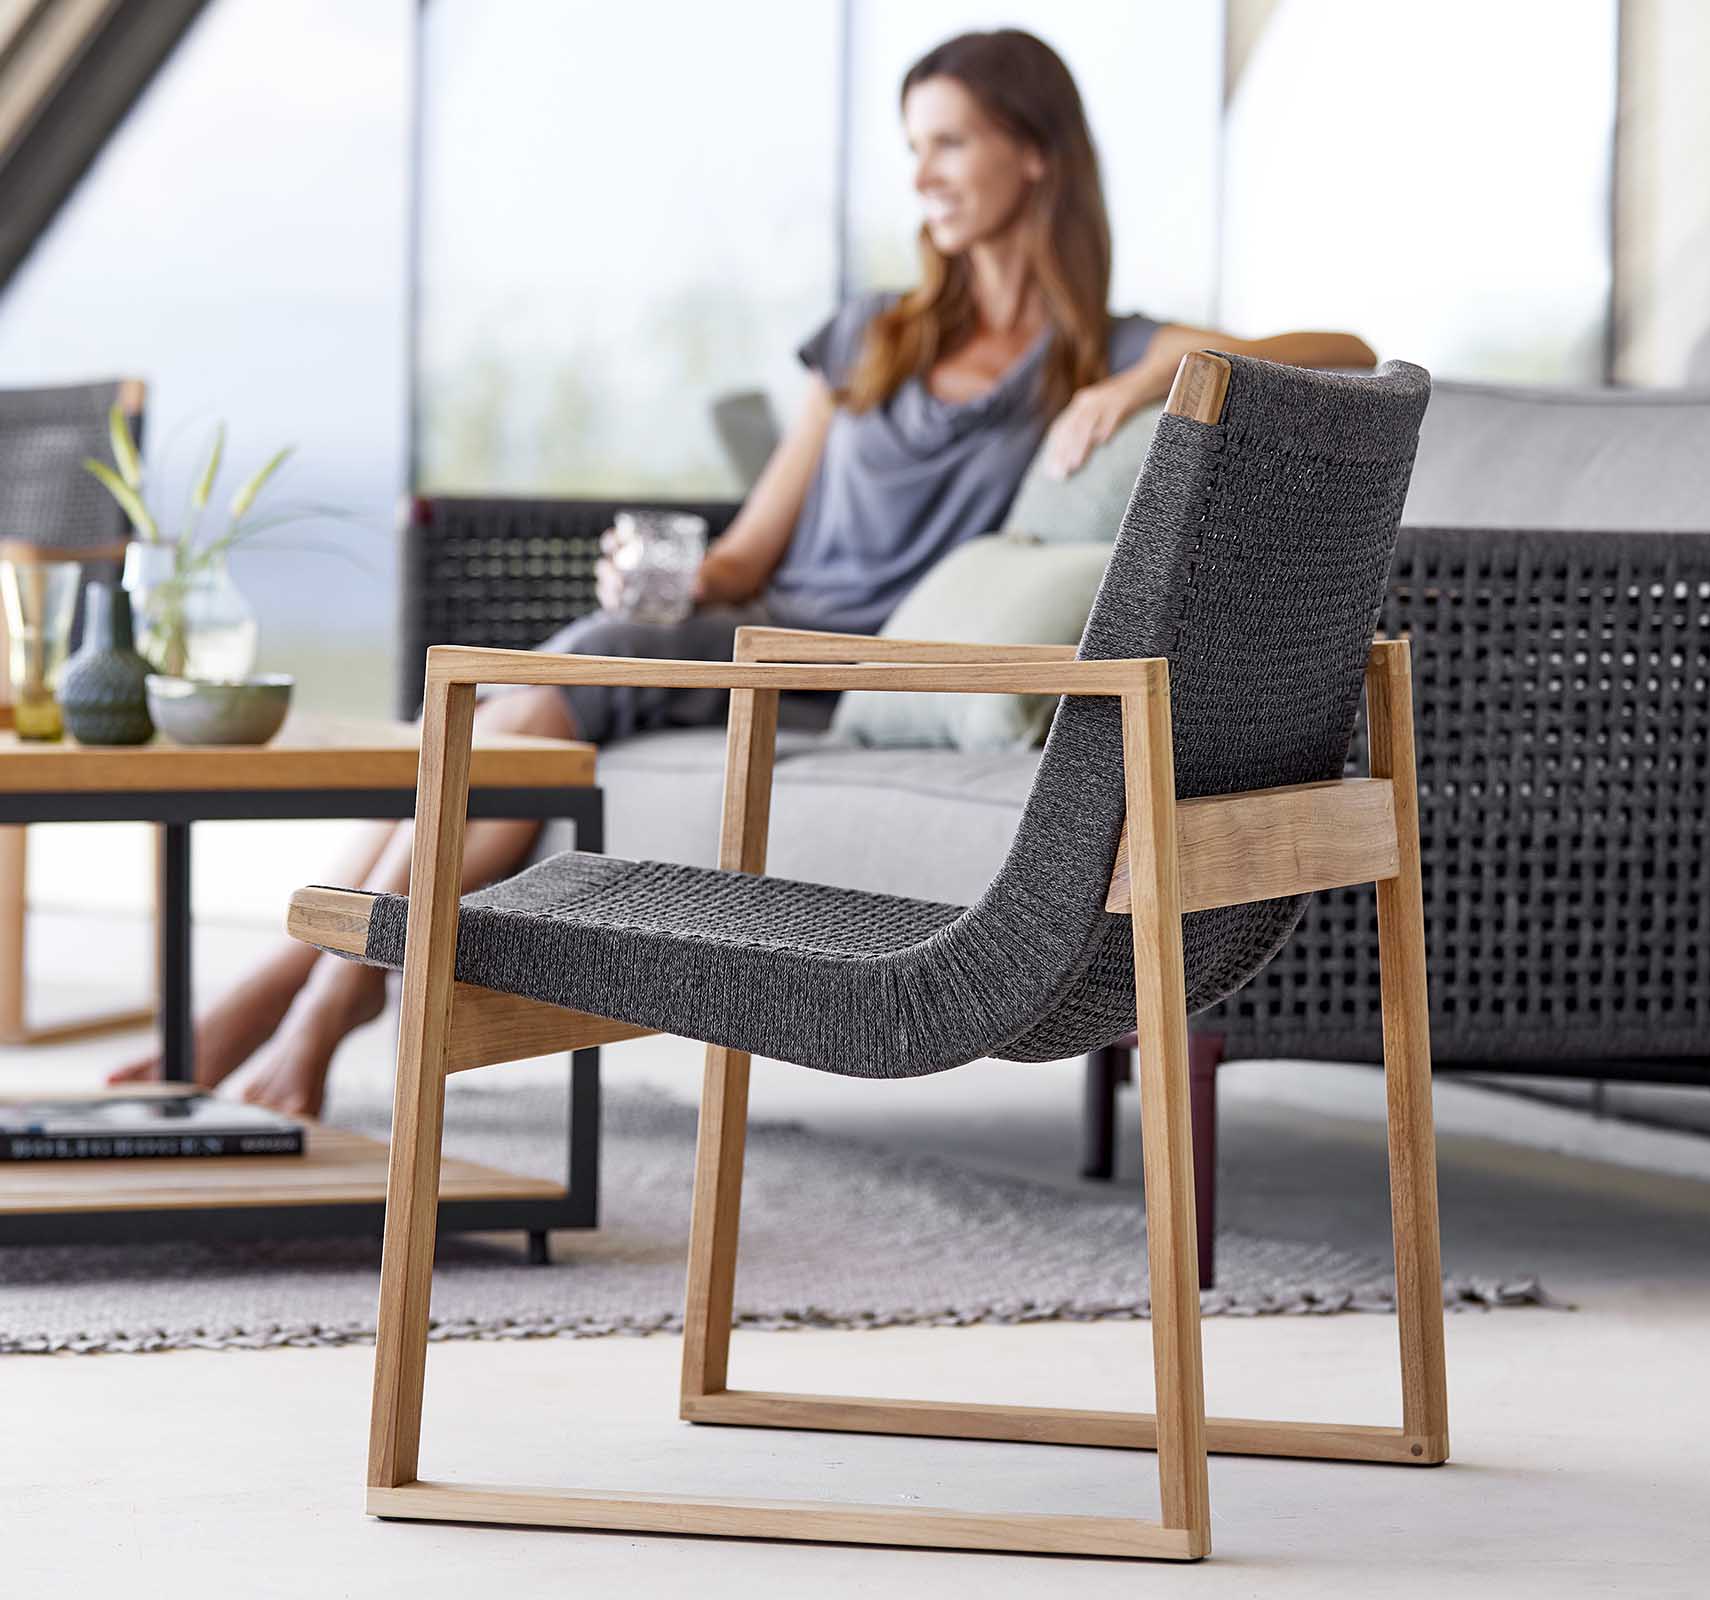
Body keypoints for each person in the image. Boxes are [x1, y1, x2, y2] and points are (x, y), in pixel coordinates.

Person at [110, 27, 1374, 1115]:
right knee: (540, 689)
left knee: (542, 694)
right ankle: (298, 998)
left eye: (949, 143)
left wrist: (1131, 376)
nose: (924, 175)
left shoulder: (1104, 351)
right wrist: (667, 572)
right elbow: (751, 552)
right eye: (913, 149)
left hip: (837, 670)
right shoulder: (874, 334)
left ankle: (305, 1013)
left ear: (1033, 153)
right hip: (752, 627)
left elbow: (1345, 343)